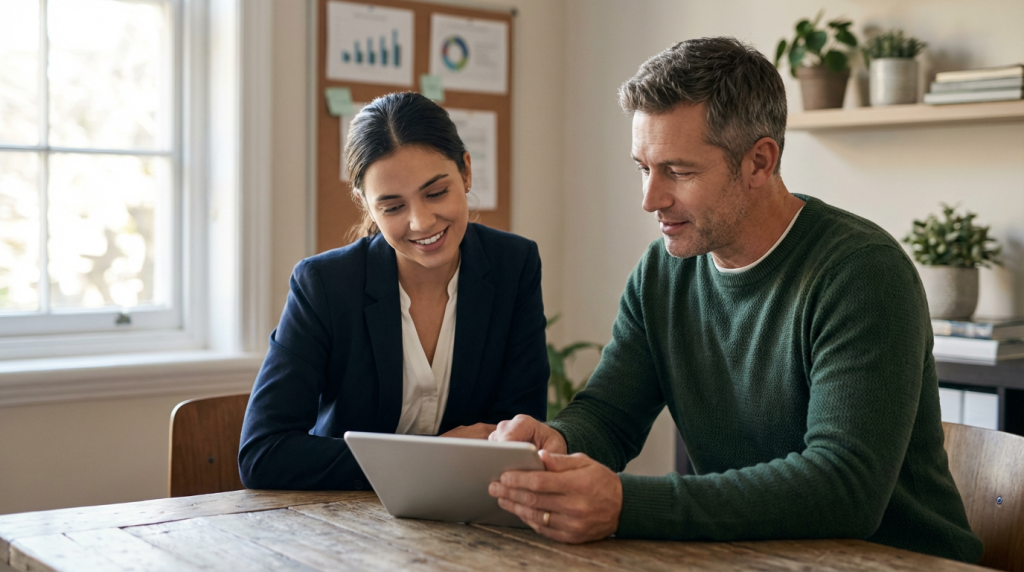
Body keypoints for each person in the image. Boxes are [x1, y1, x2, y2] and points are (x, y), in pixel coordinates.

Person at [487, 37, 983, 563]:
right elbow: (610, 415)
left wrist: (628, 502)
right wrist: (555, 443)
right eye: (643, 167)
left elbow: (844, 488)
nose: (650, 199)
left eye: (677, 171)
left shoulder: (861, 273)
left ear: (758, 162)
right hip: (754, 558)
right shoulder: (663, 272)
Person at [239, 91, 549, 491]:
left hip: (468, 514)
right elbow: (263, 453)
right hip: (345, 523)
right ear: (366, 205)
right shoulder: (324, 285)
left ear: (466, 172)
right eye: (392, 207)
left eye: (436, 193)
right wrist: (431, 454)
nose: (421, 222)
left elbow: (518, 433)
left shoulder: (514, 265)